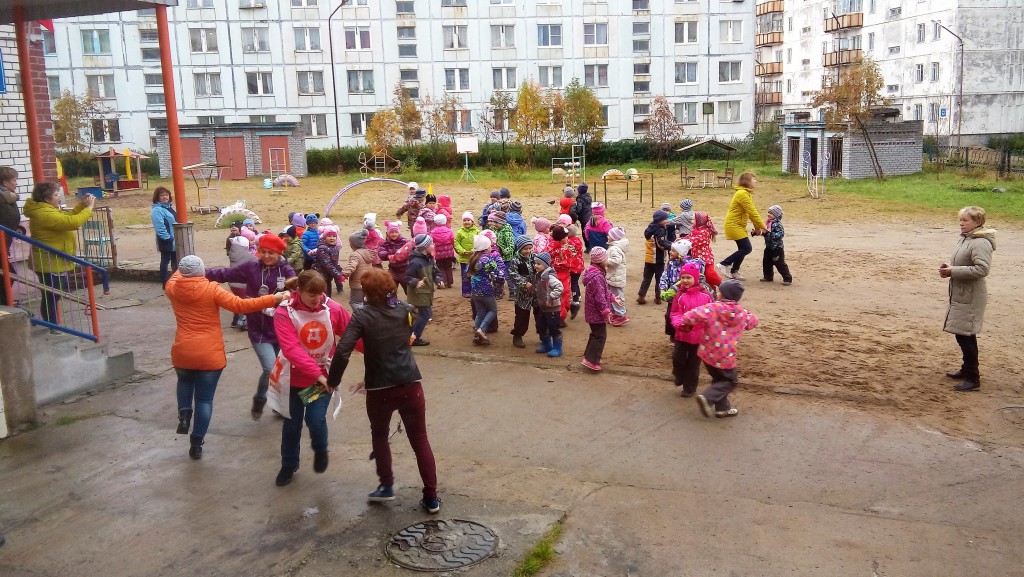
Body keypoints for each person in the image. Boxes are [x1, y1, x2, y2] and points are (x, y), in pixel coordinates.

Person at [326, 268, 441, 514]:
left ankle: (386, 485)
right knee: (420, 439)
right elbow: (410, 327)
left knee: (379, 435)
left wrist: (332, 380)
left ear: (366, 293)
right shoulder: (404, 309)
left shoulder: (362, 316)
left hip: (379, 387)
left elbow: (344, 349)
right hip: (410, 382)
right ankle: (431, 497)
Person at [166, 255, 286, 459]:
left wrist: (187, 267)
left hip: (182, 351)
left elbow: (179, 273)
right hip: (209, 354)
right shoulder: (211, 289)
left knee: (184, 382)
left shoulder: (172, 287)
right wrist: (274, 298)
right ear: (201, 271)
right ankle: (197, 442)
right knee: (204, 400)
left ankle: (184, 414)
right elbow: (241, 306)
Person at [273, 271, 353, 486]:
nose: (316, 299)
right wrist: (318, 374)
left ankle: (320, 449)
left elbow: (353, 335)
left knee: (315, 421)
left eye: (320, 294)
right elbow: (291, 349)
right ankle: (289, 464)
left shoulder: (333, 309)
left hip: (322, 380)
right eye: (311, 295)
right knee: (291, 424)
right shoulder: (284, 312)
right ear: (298, 291)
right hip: (293, 379)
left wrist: (381, 351)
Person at [205, 234, 297, 419]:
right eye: (263, 252)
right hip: (258, 329)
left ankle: (278, 404)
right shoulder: (251, 267)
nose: (266, 256)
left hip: (281, 329)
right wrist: (199, 272)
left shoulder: (286, 271)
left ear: (278, 253)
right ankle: (261, 398)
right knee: (270, 368)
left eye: (271, 253)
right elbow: (225, 274)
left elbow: (296, 291)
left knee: (282, 370)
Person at [676, 280, 759, 418]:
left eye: (719, 291)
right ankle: (707, 398)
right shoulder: (742, 313)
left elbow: (689, 316)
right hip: (725, 357)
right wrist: (744, 313)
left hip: (707, 354)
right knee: (730, 381)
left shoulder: (712, 308)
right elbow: (753, 322)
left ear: (723, 295)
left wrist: (687, 322)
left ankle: (722, 409)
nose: (717, 293)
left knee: (719, 380)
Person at [940, 206, 996, 392]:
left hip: (970, 296)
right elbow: (965, 263)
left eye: (966, 220)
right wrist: (950, 268)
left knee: (965, 335)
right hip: (963, 293)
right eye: (960, 220)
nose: (962, 223)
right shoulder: (967, 239)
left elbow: (982, 270)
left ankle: (973, 378)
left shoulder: (980, 242)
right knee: (963, 333)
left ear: (978, 222)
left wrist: (953, 271)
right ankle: (967, 370)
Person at [22, 182, 94, 325]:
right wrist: (89, 208)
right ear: (46, 198)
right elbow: (71, 222)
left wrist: (82, 205)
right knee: (51, 296)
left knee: (53, 295)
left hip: (55, 260)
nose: (59, 198)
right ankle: (52, 325)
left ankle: (52, 324)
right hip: (49, 262)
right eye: (55, 195)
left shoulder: (47, 209)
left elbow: (68, 216)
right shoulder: (42, 213)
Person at [669, 262, 714, 397]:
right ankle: (679, 375)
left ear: (695, 278)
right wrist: (679, 323)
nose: (685, 280)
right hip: (682, 334)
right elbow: (674, 313)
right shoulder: (679, 295)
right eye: (683, 278)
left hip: (699, 336)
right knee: (677, 357)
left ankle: (689, 388)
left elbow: (711, 314)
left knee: (693, 364)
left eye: (688, 277)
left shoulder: (706, 296)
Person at [717, 173, 767, 282]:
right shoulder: (742, 194)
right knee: (747, 248)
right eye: (754, 179)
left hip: (739, 225)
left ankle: (734, 271)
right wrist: (763, 226)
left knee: (743, 248)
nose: (755, 181)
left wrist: (757, 228)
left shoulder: (746, 193)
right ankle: (723, 264)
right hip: (733, 225)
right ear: (747, 181)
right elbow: (753, 212)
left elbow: (750, 213)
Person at [581, 247, 615, 371]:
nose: (608, 260)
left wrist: (612, 297)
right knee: (600, 335)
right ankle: (591, 360)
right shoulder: (597, 276)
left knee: (596, 334)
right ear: (600, 260)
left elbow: (604, 290)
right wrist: (606, 311)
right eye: (606, 258)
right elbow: (600, 297)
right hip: (596, 312)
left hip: (593, 312)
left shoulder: (596, 273)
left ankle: (590, 356)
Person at [405, 234, 443, 346]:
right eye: (431, 243)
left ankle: (411, 335)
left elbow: (436, 272)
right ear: (424, 247)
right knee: (425, 314)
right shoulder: (415, 262)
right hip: (418, 293)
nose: (433, 245)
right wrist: (416, 282)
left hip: (426, 292)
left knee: (421, 314)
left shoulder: (430, 258)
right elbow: (407, 277)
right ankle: (414, 337)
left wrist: (438, 280)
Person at [469, 234, 502, 346]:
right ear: (486, 248)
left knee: (480, 313)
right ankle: (481, 330)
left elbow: (467, 273)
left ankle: (477, 334)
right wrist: (500, 282)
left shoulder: (473, 258)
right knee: (492, 310)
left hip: (475, 290)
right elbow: (496, 273)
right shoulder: (488, 259)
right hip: (486, 289)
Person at [637, 210, 674, 306]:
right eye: (665, 219)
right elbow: (661, 243)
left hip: (649, 258)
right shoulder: (660, 230)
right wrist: (672, 246)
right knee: (659, 278)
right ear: (660, 220)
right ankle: (658, 297)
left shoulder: (650, 228)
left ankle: (641, 296)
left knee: (647, 278)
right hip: (658, 259)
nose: (667, 220)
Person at [532, 251, 564, 357]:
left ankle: (557, 348)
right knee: (541, 326)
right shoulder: (539, 275)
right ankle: (546, 344)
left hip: (552, 308)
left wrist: (551, 298)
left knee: (554, 328)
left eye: (538, 263)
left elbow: (559, 287)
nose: (536, 265)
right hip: (542, 307)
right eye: (535, 263)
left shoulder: (549, 277)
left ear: (545, 265)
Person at [225, 222, 256, 330]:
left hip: (233, 283)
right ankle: (242, 322)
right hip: (242, 284)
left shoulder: (234, 253)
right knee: (246, 302)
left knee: (238, 301)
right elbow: (256, 262)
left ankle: (235, 320)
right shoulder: (248, 257)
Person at [508, 235, 535, 348]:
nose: (528, 251)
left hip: (536, 292)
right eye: (525, 248)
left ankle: (544, 336)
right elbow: (513, 274)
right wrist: (525, 283)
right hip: (522, 295)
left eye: (530, 248)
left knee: (540, 315)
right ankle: (518, 335)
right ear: (519, 248)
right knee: (521, 316)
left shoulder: (534, 257)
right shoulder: (515, 260)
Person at [0, 166, 22, 307]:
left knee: (7, 274)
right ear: (4, 182)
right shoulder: (4, 196)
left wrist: (16, 228)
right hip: (1, 241)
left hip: (5, 239)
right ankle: (5, 304)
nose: (16, 183)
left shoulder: (7, 195)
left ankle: (6, 303)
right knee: (7, 274)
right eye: (14, 180)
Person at [339, 229, 376, 307]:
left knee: (355, 302)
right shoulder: (368, 252)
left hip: (358, 283)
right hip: (368, 282)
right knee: (365, 301)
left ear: (353, 244)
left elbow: (352, 266)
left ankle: (362, 316)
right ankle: (367, 315)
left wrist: (344, 274)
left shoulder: (355, 254)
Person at [759, 204, 793, 286]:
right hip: (768, 247)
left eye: (771, 213)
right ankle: (768, 277)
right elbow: (765, 232)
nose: (768, 214)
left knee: (779, 263)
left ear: (776, 215)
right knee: (766, 262)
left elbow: (780, 234)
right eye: (768, 212)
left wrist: (769, 234)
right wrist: (759, 232)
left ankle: (787, 278)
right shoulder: (767, 223)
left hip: (777, 248)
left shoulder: (777, 224)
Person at [150, 186, 177, 288]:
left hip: (174, 239)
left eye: (166, 195)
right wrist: (168, 238)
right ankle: (165, 283)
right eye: (162, 195)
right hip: (166, 240)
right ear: (157, 197)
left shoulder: (170, 207)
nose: (165, 197)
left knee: (175, 261)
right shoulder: (157, 210)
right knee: (165, 260)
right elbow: (160, 227)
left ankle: (175, 281)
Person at [605, 226, 630, 326]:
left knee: (616, 296)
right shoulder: (615, 247)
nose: (607, 236)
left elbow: (616, 261)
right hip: (614, 276)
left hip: (615, 276)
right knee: (613, 295)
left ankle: (620, 314)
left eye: (609, 235)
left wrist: (605, 261)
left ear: (614, 238)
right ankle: (616, 313)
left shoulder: (614, 248)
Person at [312, 225, 344, 298]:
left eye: (334, 236)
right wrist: (338, 274)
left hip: (328, 276)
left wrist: (340, 271)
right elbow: (327, 264)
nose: (332, 238)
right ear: (324, 237)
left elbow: (334, 263)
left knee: (327, 296)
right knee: (321, 296)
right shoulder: (322, 248)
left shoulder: (334, 248)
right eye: (329, 236)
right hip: (320, 276)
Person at [454, 212, 479, 298]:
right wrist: (462, 251)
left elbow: (479, 242)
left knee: (475, 275)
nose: (466, 222)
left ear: (472, 221)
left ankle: (475, 290)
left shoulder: (477, 231)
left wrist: (474, 250)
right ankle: (466, 291)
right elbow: (456, 243)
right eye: (464, 220)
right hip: (464, 259)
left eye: (468, 220)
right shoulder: (459, 232)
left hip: (474, 258)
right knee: (465, 276)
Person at [430, 214, 456, 289]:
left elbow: (431, 242)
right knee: (448, 267)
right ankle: (450, 282)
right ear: (445, 222)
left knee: (440, 267)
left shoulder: (433, 232)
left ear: (435, 222)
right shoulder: (449, 231)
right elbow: (452, 240)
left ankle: (443, 282)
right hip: (449, 253)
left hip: (439, 253)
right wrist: (454, 249)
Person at [570, 183, 594, 251]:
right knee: (590, 232)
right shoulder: (589, 197)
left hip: (583, 218)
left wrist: (574, 208)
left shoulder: (580, 199)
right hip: (589, 216)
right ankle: (591, 245)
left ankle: (588, 247)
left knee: (584, 233)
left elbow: (579, 209)